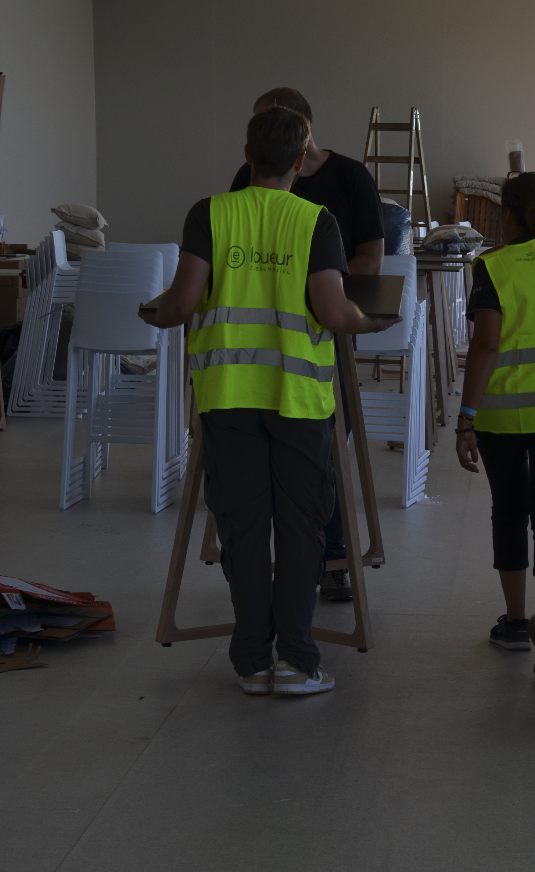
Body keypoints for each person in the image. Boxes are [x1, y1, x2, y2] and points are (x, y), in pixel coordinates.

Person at [140, 107, 399, 696]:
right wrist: (372, 322)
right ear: (301, 159)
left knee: (244, 528)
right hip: (298, 400)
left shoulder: (209, 213)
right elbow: (333, 312)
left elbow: (180, 304)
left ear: (247, 154)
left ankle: (253, 662)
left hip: (228, 397)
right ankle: (298, 662)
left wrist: (153, 312)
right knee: (302, 528)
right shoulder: (315, 221)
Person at [231, 87, 385, 602]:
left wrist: (316, 288)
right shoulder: (246, 179)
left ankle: (332, 558)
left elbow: (370, 259)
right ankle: (270, 566)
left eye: (276, 123)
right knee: (259, 455)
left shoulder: (350, 178)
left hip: (323, 336)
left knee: (325, 449)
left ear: (304, 131)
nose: (268, 135)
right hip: (257, 342)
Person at [456, 173, 535, 679]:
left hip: (503, 415)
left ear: (507, 216)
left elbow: (486, 345)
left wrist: (466, 418)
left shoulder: (492, 266)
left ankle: (514, 623)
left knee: (509, 511)